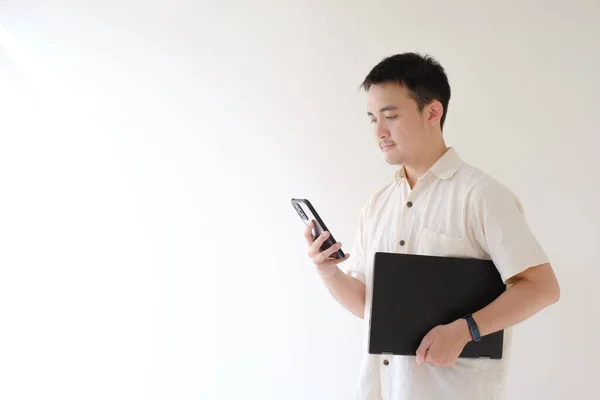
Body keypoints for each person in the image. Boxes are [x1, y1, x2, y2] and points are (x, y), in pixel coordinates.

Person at [303, 52, 560, 400]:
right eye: (372, 119)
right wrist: (329, 272)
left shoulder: (481, 195)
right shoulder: (377, 205)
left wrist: (466, 329)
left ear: (432, 113)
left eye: (391, 116)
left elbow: (542, 287)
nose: (379, 131)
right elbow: (368, 306)